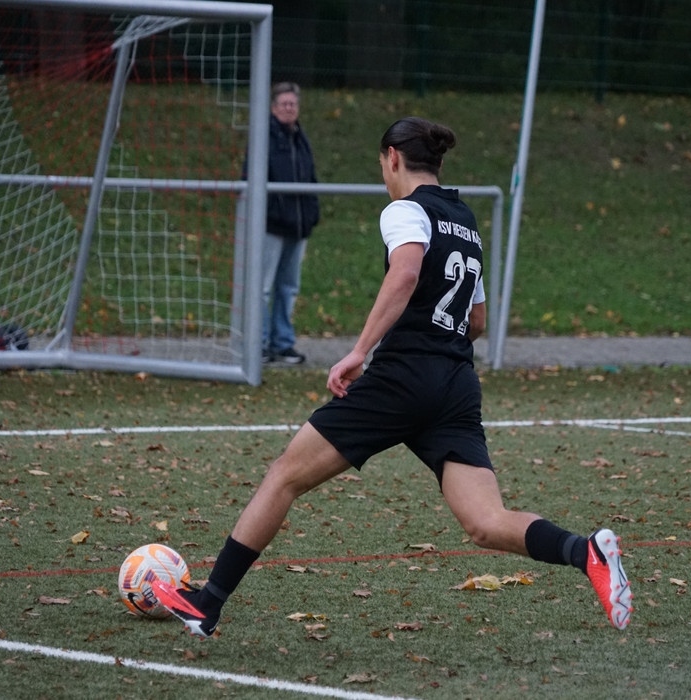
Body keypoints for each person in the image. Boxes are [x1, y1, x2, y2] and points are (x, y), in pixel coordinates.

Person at [154, 116, 633, 637]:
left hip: (404, 377)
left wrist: (359, 351)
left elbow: (405, 274)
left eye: (382, 164)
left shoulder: (405, 210)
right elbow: (477, 322)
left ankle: (207, 604)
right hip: (455, 383)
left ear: (393, 158)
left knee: (284, 476)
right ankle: (585, 552)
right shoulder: (465, 220)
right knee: (486, 522)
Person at [258, 81, 320, 364]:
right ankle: (258, 344)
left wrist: (311, 213)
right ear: (273, 107)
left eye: (292, 104)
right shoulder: (265, 138)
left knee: (288, 287)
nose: (288, 108)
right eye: (283, 103)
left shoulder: (300, 137)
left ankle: (282, 343)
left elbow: (310, 178)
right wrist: (272, 211)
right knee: (263, 287)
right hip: (272, 225)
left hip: (298, 225)